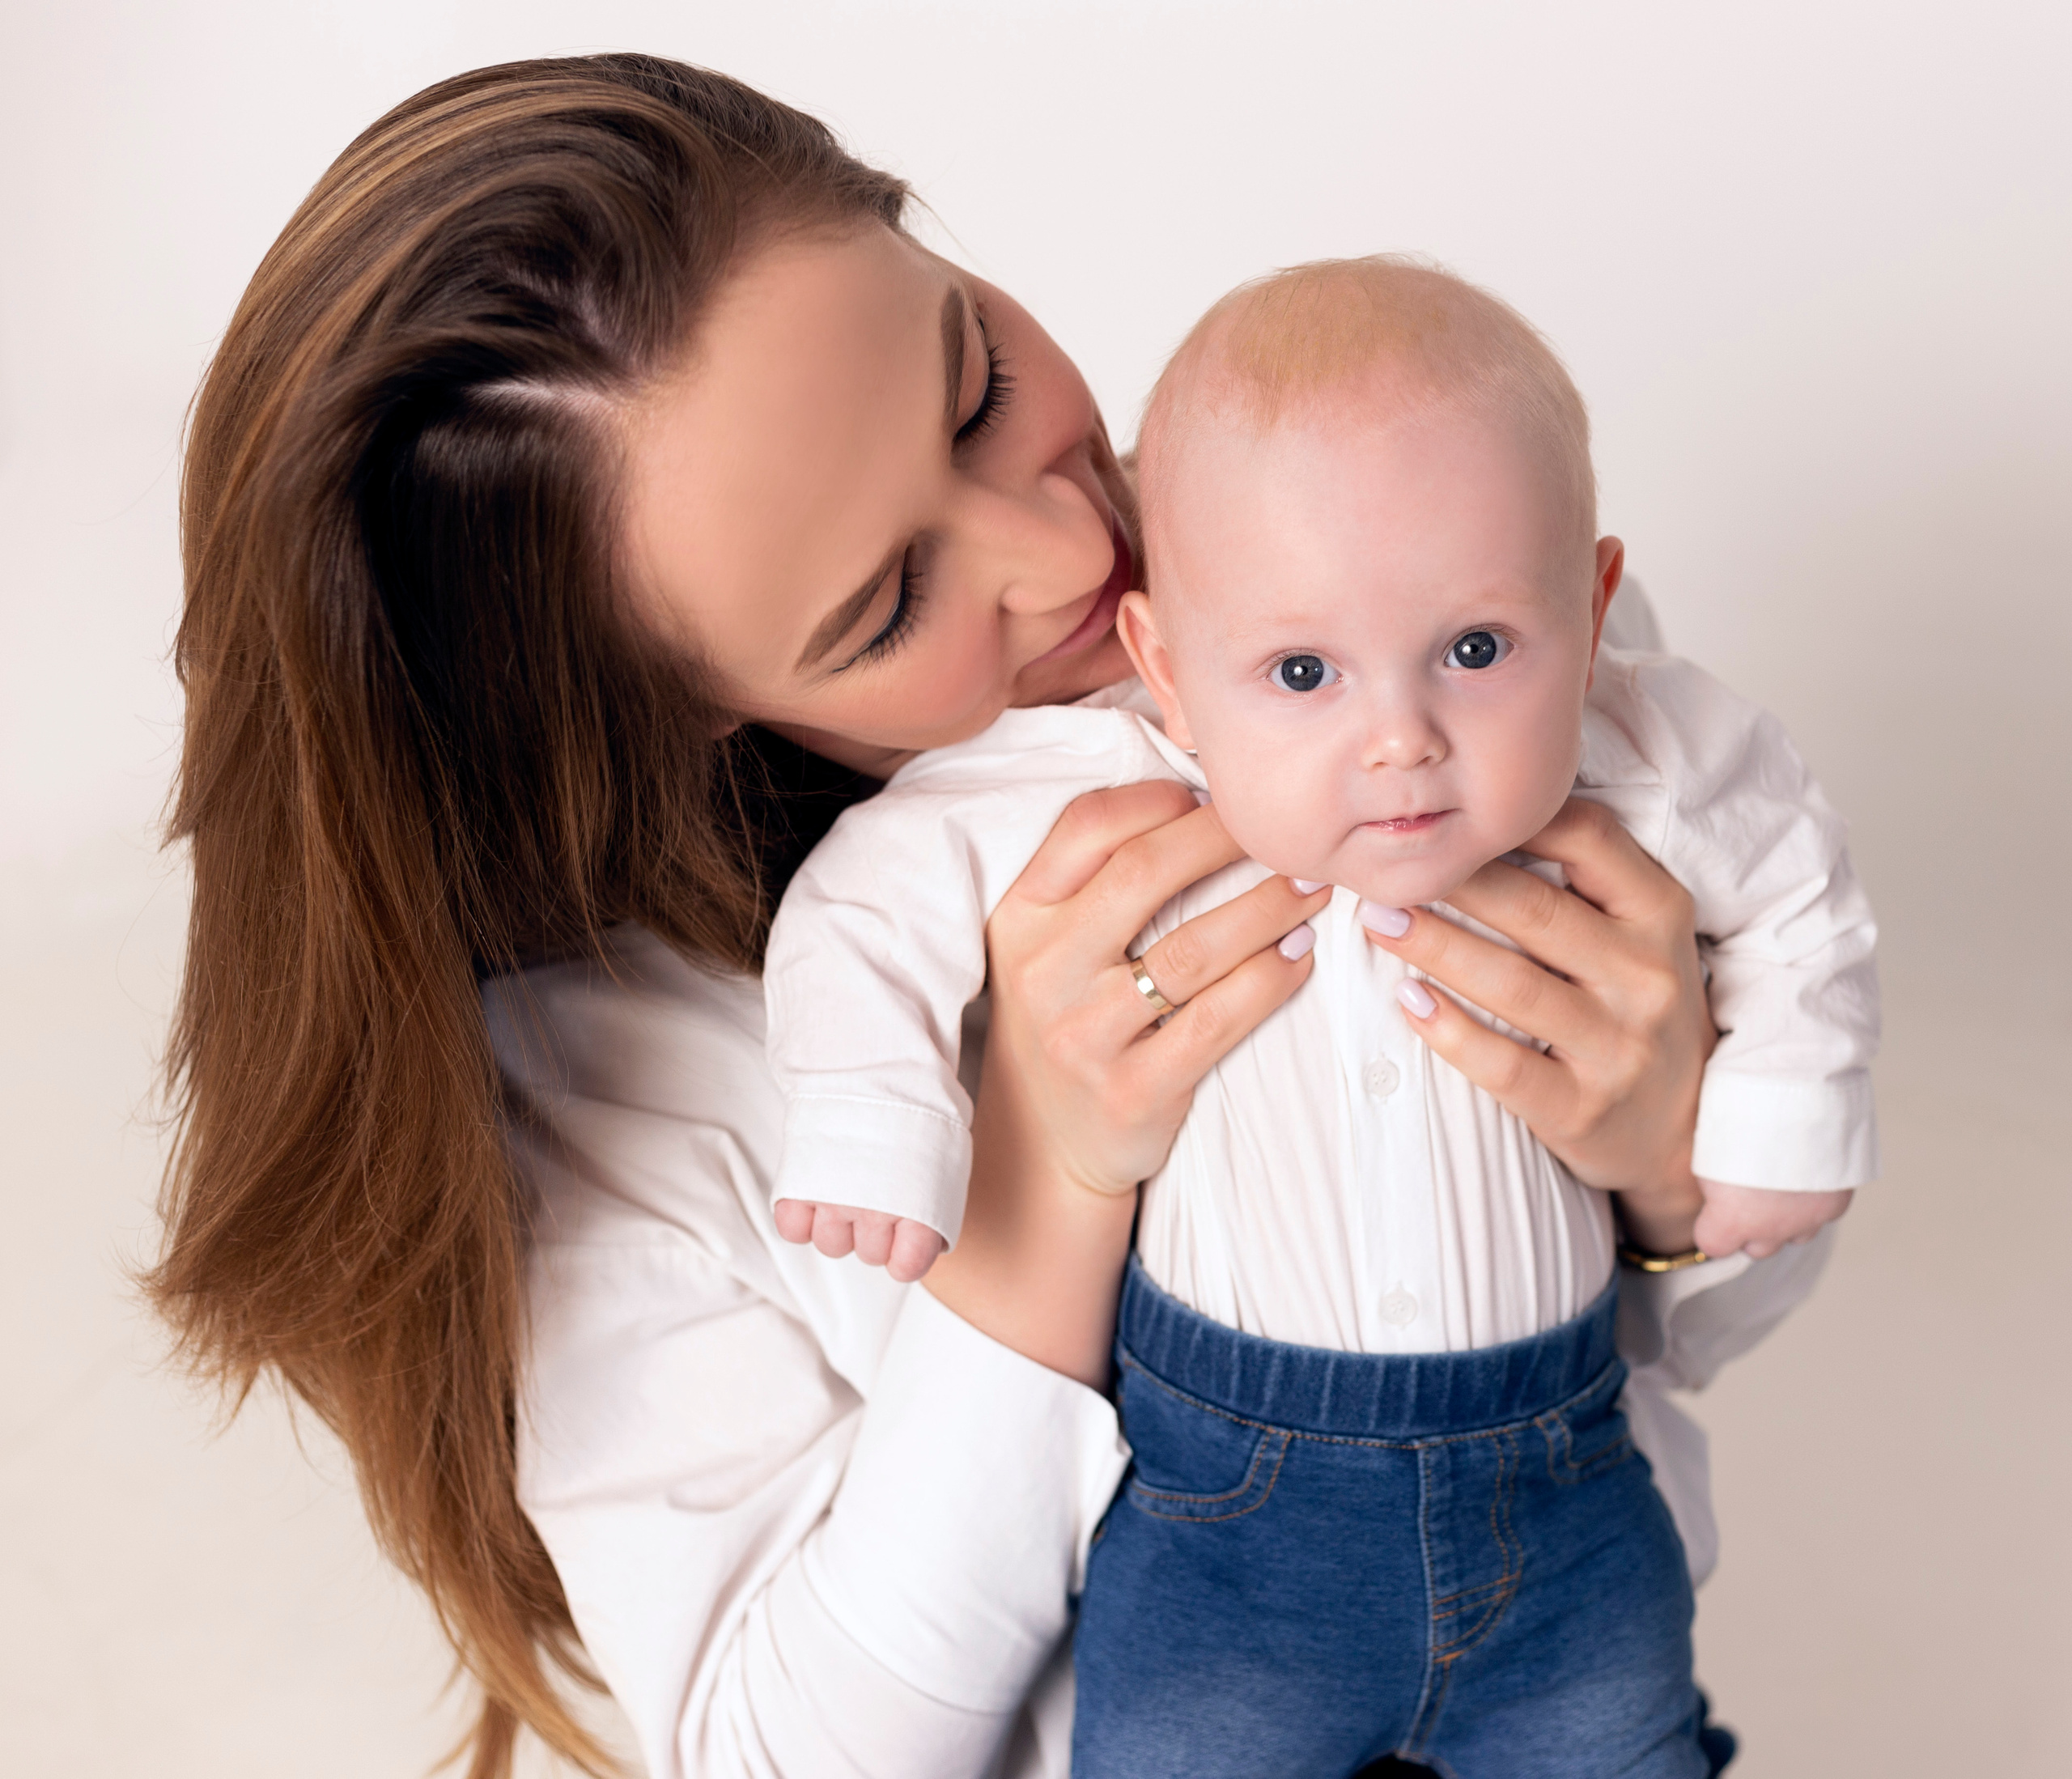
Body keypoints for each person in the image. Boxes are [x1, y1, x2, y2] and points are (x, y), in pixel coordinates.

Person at [150, 53, 1832, 1779]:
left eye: (974, 382)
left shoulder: (1373, 565)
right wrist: (1038, 1201)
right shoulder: (608, 1085)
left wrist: (1665, 1163)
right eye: (886, 605)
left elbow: (1690, 1335)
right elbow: (776, 1756)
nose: (1060, 549)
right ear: (679, 711)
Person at [757, 257, 1877, 1774]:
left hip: (1565, 1472)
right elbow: (864, 903)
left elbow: (1794, 864)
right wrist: (873, 1124)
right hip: (1229, 1518)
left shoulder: (1611, 723)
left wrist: (1756, 1129)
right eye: (1301, 673)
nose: (1402, 739)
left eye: (1475, 650)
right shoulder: (1095, 765)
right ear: (1169, 662)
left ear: (1589, 605)